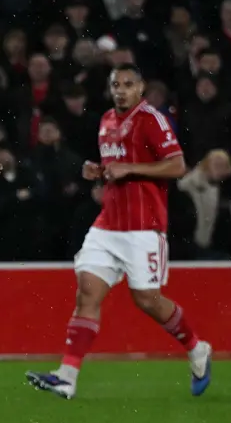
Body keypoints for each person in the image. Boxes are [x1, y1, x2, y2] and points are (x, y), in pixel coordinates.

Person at [26, 64, 212, 400]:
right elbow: (117, 170)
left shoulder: (152, 119)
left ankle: (197, 348)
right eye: (116, 85)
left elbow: (177, 165)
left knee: (147, 300)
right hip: (108, 225)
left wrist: (130, 168)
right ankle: (67, 377)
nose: (121, 90)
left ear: (141, 88)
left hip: (143, 227)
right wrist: (98, 171)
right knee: (87, 293)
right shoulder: (107, 121)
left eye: (128, 84)